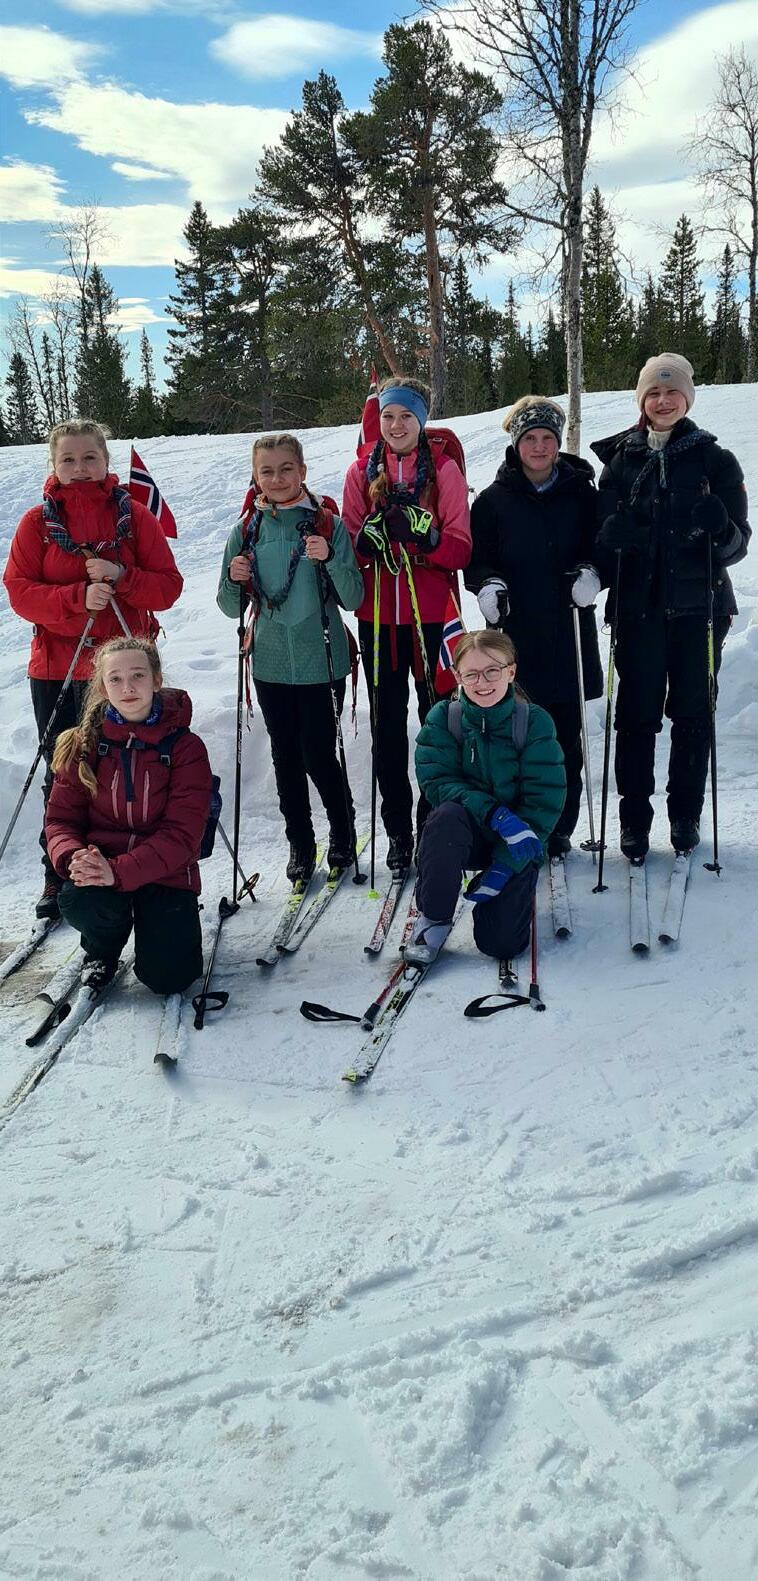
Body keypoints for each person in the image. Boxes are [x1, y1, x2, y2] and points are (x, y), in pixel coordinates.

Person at [3, 419, 183, 920]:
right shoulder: (37, 524)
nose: (80, 468)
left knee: (134, 766)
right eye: (69, 459)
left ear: (105, 461)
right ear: (54, 464)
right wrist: (76, 598)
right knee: (66, 770)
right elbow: (19, 591)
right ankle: (60, 869)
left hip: (126, 668)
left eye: (89, 458)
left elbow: (168, 587)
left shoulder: (135, 516)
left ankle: (139, 862)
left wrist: (122, 577)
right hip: (59, 667)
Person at [592, 352, 751, 859]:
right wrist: (612, 537)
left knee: (693, 716)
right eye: (654, 393)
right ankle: (634, 820)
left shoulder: (715, 460)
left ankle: (685, 815)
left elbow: (737, 545)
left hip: (700, 611)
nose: (663, 401)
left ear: (687, 397)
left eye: (672, 391)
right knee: (635, 717)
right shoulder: (621, 460)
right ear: (642, 400)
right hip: (637, 611)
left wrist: (719, 527)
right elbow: (600, 539)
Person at [217, 432, 364, 883]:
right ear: (255, 476)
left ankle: (342, 831)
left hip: (322, 659)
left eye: (286, 469)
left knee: (319, 754)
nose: (277, 478)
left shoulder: (326, 524)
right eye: (267, 471)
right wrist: (234, 578)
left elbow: (354, 597)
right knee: (285, 757)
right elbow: (229, 607)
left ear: (302, 471)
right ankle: (300, 842)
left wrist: (331, 558)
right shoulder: (246, 530)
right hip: (271, 663)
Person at [341, 376, 471, 872]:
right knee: (387, 727)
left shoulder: (443, 471)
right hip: (378, 614)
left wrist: (427, 537)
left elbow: (461, 548)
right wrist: (366, 543)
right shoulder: (360, 471)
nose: (396, 425)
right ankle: (398, 831)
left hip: (432, 613)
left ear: (422, 420)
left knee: (437, 722)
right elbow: (349, 549)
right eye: (389, 416)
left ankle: (433, 823)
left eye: (406, 417)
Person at [465, 395, 603, 859]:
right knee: (514, 737)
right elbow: (478, 559)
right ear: (516, 443)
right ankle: (518, 820)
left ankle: (560, 825)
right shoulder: (492, 501)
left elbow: (601, 547)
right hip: (514, 634)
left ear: (558, 443)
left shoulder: (582, 494)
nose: (540, 446)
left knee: (562, 739)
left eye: (547, 438)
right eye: (530, 438)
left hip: (567, 629)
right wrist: (487, 584)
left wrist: (593, 573)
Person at [45, 638, 211, 995]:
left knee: (171, 979)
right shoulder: (82, 744)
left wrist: (118, 871)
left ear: (156, 680)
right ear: (103, 687)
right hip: (101, 867)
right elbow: (60, 821)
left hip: (166, 873)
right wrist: (75, 857)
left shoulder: (186, 747)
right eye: (116, 679)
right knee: (79, 899)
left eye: (138, 675)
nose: (128, 687)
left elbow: (183, 836)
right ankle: (102, 947)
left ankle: (158, 928)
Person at [405, 630, 566, 965]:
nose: (482, 682)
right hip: (466, 833)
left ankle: (507, 889)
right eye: (472, 674)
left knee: (502, 944)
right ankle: (433, 919)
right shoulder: (444, 718)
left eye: (493, 671)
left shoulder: (533, 722)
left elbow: (544, 800)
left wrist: (505, 866)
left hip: (519, 839)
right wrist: (494, 814)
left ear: (511, 671)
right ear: (458, 677)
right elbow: (437, 781)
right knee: (444, 818)